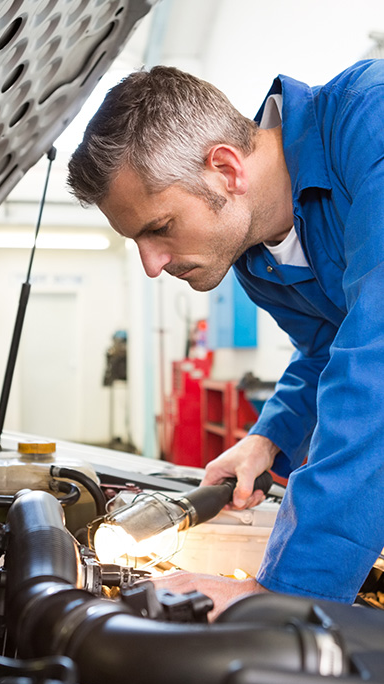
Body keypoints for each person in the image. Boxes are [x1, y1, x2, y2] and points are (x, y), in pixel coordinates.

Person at [67, 60, 384, 619]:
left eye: (158, 228)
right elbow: (326, 352)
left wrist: (285, 598)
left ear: (225, 169)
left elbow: (375, 373)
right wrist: (268, 438)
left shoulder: (372, 124)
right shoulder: (257, 258)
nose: (151, 264)